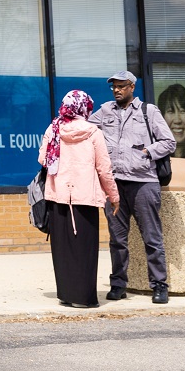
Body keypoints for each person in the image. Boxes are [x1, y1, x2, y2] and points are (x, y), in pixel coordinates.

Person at [91, 70, 176, 304]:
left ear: (131, 87)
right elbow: (85, 129)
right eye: (114, 87)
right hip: (115, 185)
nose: (116, 90)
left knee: (152, 237)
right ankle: (118, 285)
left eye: (121, 86)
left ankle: (159, 285)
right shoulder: (105, 111)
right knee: (117, 240)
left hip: (144, 184)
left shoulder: (148, 111)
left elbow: (169, 142)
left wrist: (148, 152)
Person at [39, 89, 120, 309]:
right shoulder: (93, 132)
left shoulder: (53, 128)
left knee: (63, 249)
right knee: (84, 249)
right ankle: (83, 298)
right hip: (85, 199)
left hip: (59, 198)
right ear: (84, 108)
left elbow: (43, 159)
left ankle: (66, 294)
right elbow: (104, 168)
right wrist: (114, 196)